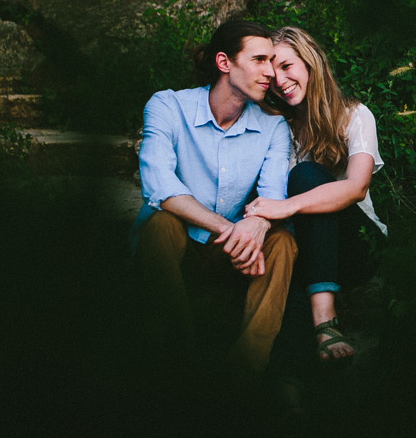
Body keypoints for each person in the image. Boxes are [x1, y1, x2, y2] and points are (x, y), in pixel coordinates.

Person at [132, 19, 297, 373]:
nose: (270, 72)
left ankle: (244, 373)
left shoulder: (273, 126)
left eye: (272, 61)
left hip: (230, 257)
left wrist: (258, 224)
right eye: (259, 60)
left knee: (282, 242)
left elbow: (272, 197)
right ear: (225, 63)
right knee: (161, 223)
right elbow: (160, 187)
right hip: (179, 246)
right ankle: (178, 363)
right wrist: (234, 227)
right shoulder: (168, 107)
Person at [245, 26, 387, 364]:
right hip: (306, 245)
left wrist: (287, 205)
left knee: (307, 175)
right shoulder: (280, 128)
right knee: (284, 270)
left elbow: (357, 186)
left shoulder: (354, 115)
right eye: (271, 70)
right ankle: (289, 384)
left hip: (354, 245)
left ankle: (326, 319)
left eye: (287, 66)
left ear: (310, 64)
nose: (278, 79)